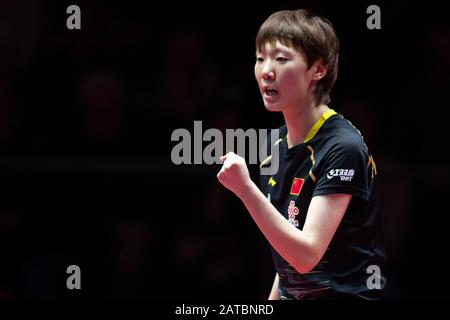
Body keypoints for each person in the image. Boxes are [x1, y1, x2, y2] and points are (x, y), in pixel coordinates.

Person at [217, 9, 386, 300]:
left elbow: (306, 255)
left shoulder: (342, 147)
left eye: (281, 59)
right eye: (260, 58)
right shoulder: (275, 145)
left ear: (317, 70)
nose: (266, 71)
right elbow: (287, 253)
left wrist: (245, 190)